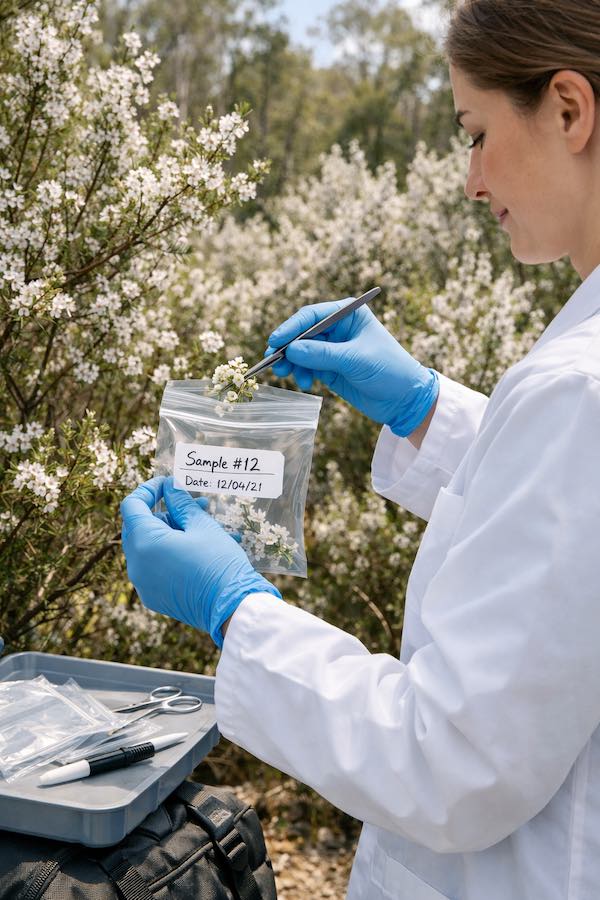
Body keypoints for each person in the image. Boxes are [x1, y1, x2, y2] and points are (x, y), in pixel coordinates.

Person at [120, 1, 600, 896]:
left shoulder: (580, 390)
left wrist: (238, 610)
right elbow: (564, 537)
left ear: (569, 110)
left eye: (476, 131)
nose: (470, 179)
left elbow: (450, 763)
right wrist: (425, 411)